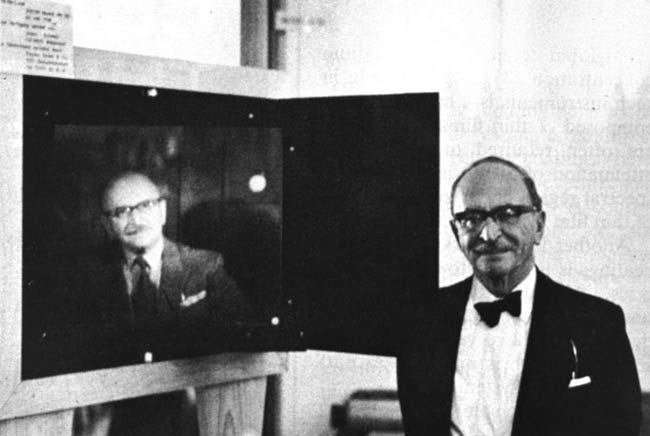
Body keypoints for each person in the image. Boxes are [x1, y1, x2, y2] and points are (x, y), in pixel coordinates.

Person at [397, 156, 641, 436]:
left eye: (508, 213)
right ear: (455, 232)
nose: (489, 234)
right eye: (471, 218)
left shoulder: (597, 324)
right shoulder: (421, 322)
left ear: (539, 225)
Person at [70, 171, 254, 436]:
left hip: (192, 414)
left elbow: (248, 333)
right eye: (121, 211)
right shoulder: (87, 277)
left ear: (163, 211)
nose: (135, 219)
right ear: (107, 224)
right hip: (116, 417)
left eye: (145, 206)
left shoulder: (205, 266)